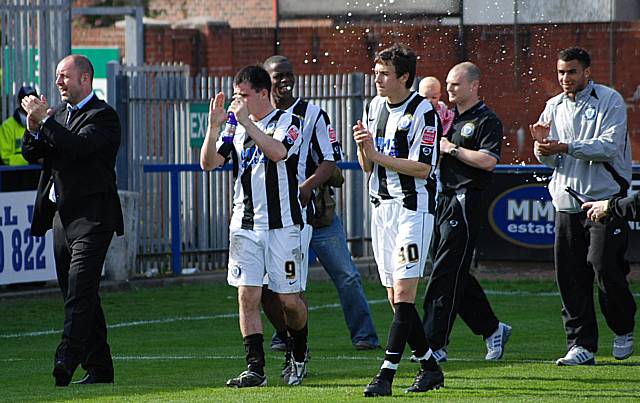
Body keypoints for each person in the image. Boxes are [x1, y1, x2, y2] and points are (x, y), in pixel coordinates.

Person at [261, 55, 379, 354]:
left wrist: (307, 186)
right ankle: (284, 335)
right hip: (275, 216)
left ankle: (365, 334)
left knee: (347, 275)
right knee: (276, 283)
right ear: (266, 81)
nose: (286, 80)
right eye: (278, 76)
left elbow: (330, 160)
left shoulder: (314, 114)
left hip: (315, 213)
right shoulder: (256, 117)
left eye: (289, 74)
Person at [200, 64, 309, 387]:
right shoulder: (234, 129)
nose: (238, 102)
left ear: (263, 93)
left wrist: (247, 121)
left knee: (289, 301)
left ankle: (299, 352)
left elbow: (278, 153)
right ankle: (255, 368)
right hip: (244, 224)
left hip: (283, 225)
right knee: (247, 295)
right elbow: (208, 163)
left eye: (243, 95)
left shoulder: (291, 122)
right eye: (236, 96)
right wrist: (213, 127)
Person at [20, 54, 123, 386]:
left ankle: (66, 357)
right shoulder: (59, 116)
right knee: (78, 293)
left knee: (80, 287)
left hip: (94, 216)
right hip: (63, 217)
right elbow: (34, 154)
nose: (58, 83)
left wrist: (46, 121)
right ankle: (100, 367)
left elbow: (79, 147)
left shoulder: (104, 116)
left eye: (64, 76)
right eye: (56, 76)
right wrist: (33, 127)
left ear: (85, 79)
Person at [531, 47, 635, 365]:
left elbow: (609, 146)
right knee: (570, 277)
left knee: (605, 269)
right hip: (566, 202)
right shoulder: (553, 106)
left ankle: (622, 327)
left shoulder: (610, 100)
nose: (565, 78)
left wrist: (566, 145)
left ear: (587, 72)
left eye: (572, 72)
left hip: (606, 200)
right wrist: (542, 147)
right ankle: (581, 345)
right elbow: (549, 159)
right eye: (561, 72)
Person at [353, 43, 444, 397]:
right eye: (375, 72)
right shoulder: (374, 107)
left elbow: (423, 167)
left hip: (411, 209)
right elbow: (367, 166)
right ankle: (430, 367)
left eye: (383, 73)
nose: (376, 78)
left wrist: (375, 153)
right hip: (382, 211)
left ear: (404, 77)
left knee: (405, 293)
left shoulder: (423, 112)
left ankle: (386, 375)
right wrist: (364, 148)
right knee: (395, 299)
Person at [421, 62, 511, 364]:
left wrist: (452, 149)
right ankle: (492, 328)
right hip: (441, 199)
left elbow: (488, 161)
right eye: (448, 84)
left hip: (465, 199)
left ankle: (435, 343)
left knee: (445, 272)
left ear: (474, 86)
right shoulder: (445, 118)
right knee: (453, 270)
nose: (449, 90)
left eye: (455, 85)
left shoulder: (486, 120)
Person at [0, 85, 40, 190]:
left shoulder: (42, 122)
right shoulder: (7, 127)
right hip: (14, 180)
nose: (30, 104)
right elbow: (6, 158)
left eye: (33, 99)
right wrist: (33, 160)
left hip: (37, 179)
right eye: (26, 100)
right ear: (19, 102)